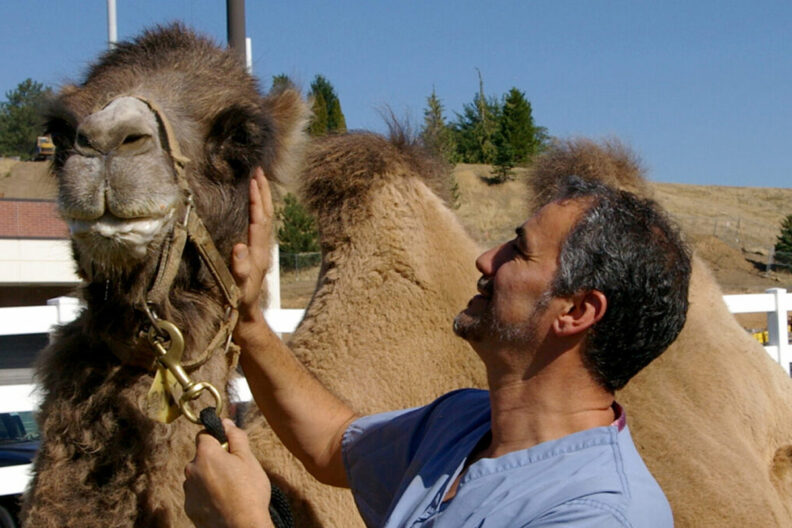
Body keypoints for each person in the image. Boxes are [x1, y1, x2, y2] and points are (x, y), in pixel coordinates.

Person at [183, 168, 691, 527]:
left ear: (577, 312)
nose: (486, 259)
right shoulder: (464, 424)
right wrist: (248, 321)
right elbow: (334, 445)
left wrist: (244, 521)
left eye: (519, 250)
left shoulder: (598, 513)